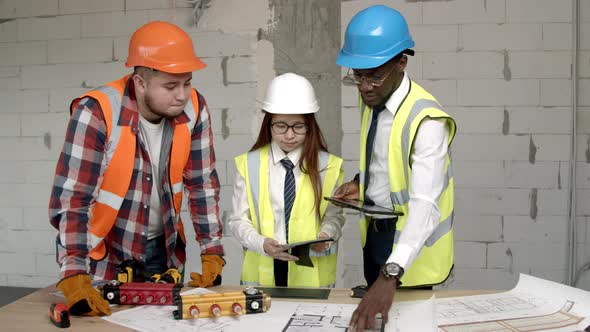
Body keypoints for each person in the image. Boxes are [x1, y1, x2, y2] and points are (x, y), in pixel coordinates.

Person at [48, 21, 225, 316]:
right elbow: (73, 200)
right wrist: (75, 272)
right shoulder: (97, 112)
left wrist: (212, 250)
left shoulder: (194, 107)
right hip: (104, 256)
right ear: (140, 82)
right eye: (170, 86)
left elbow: (202, 183)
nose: (182, 95)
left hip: (163, 252)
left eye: (187, 82)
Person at [333, 5, 456, 330]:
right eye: (357, 76)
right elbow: (383, 156)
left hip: (412, 252)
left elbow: (425, 206)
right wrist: (364, 183)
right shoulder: (372, 97)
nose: (364, 86)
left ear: (402, 61)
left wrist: (391, 273)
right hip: (374, 237)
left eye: (373, 76)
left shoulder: (428, 121)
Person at [229, 73, 345, 288]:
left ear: (309, 125)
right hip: (265, 267)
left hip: (309, 272)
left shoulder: (328, 165)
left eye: (298, 126)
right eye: (280, 126)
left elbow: (335, 216)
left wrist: (326, 234)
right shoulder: (248, 164)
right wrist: (262, 244)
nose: (289, 135)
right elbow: (237, 220)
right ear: (269, 124)